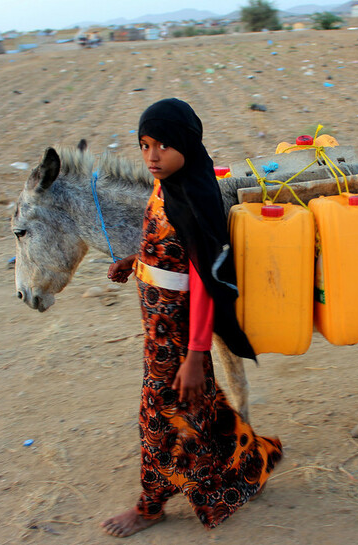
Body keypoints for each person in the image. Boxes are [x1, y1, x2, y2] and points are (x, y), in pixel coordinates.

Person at [102, 98, 282, 538]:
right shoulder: (168, 186)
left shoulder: (195, 196)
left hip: (178, 337)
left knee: (155, 415)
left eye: (162, 145)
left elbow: (203, 280)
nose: (152, 156)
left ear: (185, 143)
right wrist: (135, 262)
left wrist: (197, 355)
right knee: (198, 406)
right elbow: (170, 248)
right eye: (144, 145)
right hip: (157, 328)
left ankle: (149, 507)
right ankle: (251, 462)